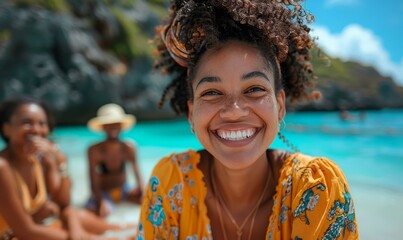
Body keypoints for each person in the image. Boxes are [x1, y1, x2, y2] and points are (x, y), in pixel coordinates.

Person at [137, 0, 359, 239]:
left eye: (254, 89)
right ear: (191, 114)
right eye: (211, 92)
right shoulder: (171, 182)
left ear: (280, 106)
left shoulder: (315, 188)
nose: (234, 111)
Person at [0, 97, 125, 240]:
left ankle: (128, 230)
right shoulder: (2, 166)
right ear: (6, 129)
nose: (36, 129)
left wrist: (60, 161)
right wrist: (88, 238)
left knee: (79, 217)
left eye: (42, 123)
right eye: (27, 122)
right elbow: (26, 231)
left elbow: (64, 204)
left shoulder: (38, 161)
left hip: (27, 233)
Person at [86, 103, 143, 217]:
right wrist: (100, 201)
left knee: (151, 203)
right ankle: (118, 229)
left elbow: (138, 175)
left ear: (121, 126)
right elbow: (93, 182)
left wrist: (143, 193)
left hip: (124, 190)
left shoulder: (129, 148)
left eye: (116, 124)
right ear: (103, 127)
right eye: (109, 124)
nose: (113, 128)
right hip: (104, 193)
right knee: (96, 213)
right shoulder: (94, 150)